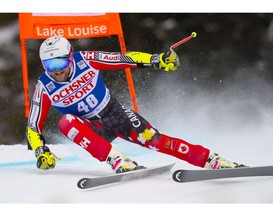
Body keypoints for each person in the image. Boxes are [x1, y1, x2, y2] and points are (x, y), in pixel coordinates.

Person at [26, 36, 245, 173]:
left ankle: (211, 160)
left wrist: (156, 60)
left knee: (154, 140)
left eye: (60, 61)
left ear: (70, 57)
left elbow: (122, 59)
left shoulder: (87, 59)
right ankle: (118, 160)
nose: (56, 69)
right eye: (49, 64)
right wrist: (40, 151)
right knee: (66, 123)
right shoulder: (45, 87)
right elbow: (33, 126)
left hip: (114, 113)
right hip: (92, 129)